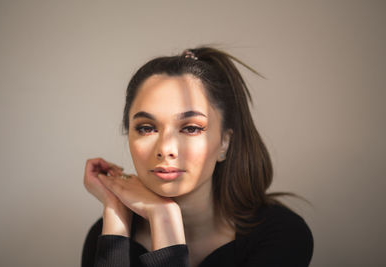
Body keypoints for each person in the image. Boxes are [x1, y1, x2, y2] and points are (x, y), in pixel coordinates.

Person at [81, 47, 313, 267]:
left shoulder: (282, 234)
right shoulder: (108, 232)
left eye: (191, 128)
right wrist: (115, 213)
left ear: (224, 141)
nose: (166, 148)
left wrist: (163, 218)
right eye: (146, 128)